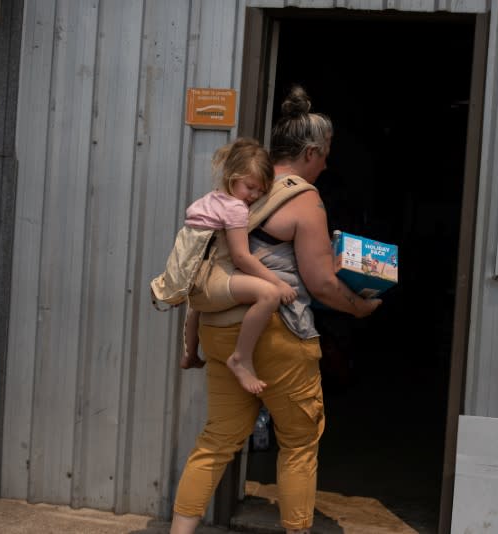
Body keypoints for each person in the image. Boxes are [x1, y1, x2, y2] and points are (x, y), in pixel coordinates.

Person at [170, 85, 382, 534]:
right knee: (300, 444)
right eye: (325, 155)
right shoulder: (304, 198)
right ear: (310, 152)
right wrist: (359, 309)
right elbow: (323, 283)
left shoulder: (244, 187)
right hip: (278, 332)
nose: (326, 164)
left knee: (216, 441)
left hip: (221, 324)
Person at [180, 138, 298, 394]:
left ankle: (189, 353)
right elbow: (241, 257)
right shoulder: (235, 209)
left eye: (261, 191)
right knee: (269, 295)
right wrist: (278, 282)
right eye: (250, 187)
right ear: (232, 177)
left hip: (194, 283)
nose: (254, 196)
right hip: (213, 279)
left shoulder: (208, 201)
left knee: (195, 306)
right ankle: (241, 358)